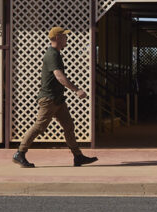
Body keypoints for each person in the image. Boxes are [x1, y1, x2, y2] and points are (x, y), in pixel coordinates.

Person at [13, 26, 96, 168]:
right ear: (57, 38)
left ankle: (78, 156)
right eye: (64, 36)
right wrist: (76, 90)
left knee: (69, 126)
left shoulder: (56, 53)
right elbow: (58, 76)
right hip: (49, 99)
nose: (67, 38)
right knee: (39, 127)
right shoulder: (52, 54)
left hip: (57, 99)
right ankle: (20, 153)